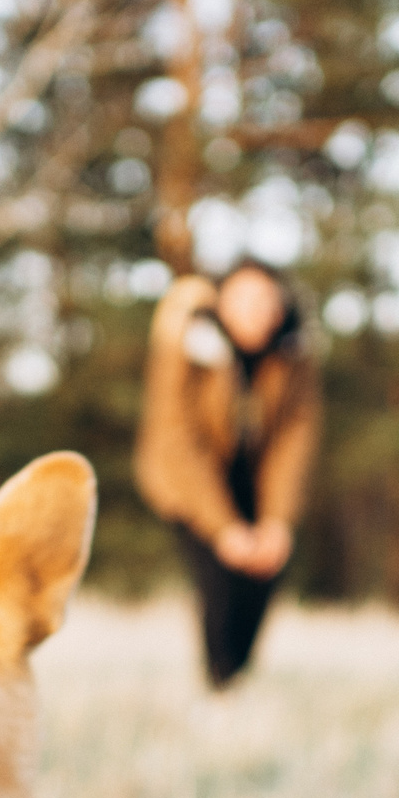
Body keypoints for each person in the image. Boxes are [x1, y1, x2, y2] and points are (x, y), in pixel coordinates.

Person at [135, 261, 322, 688]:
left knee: (267, 572)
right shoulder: (185, 344)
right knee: (218, 581)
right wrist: (223, 529)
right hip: (188, 481)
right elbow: (176, 440)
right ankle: (217, 684)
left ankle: (236, 681)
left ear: (280, 308)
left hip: (254, 477)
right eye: (244, 300)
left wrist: (278, 521)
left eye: (266, 301)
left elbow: (294, 442)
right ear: (221, 303)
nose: (256, 311)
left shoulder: (294, 352)